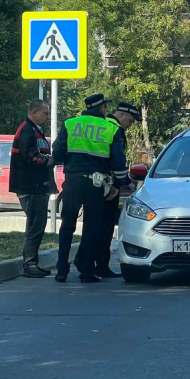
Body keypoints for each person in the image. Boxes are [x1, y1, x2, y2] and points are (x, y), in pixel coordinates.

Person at [52, 93, 128, 283]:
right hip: (97, 184)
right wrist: (117, 185)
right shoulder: (111, 128)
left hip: (72, 181)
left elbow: (58, 151)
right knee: (92, 227)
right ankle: (86, 271)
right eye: (105, 107)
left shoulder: (70, 124)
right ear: (102, 108)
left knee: (67, 225)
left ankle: (61, 270)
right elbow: (118, 162)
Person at [94, 102, 142, 278]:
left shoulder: (103, 125)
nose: (130, 125)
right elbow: (117, 161)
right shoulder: (115, 130)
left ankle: (94, 264)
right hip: (109, 186)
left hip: (99, 182)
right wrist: (122, 182)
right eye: (129, 121)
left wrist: (126, 180)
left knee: (98, 226)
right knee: (106, 227)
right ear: (121, 115)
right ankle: (101, 266)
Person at [9, 99, 56, 279]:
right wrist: (52, 160)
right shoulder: (27, 130)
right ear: (33, 112)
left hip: (38, 186)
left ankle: (32, 262)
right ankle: (29, 264)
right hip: (31, 186)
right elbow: (31, 157)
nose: (47, 116)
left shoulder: (36, 131)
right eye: (45, 113)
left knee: (37, 224)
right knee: (36, 225)